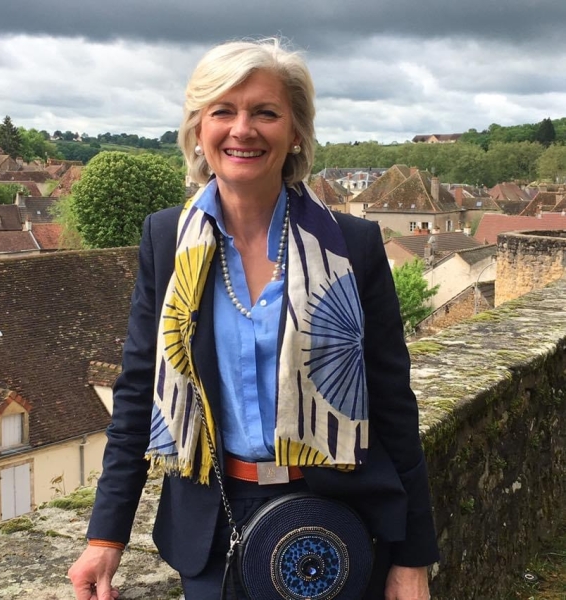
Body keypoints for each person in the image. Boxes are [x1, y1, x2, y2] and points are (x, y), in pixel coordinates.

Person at [69, 38, 439, 600]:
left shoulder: (353, 246)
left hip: (340, 519)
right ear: (198, 129)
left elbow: (393, 405)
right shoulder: (167, 240)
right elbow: (139, 390)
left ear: (295, 132)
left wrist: (413, 558)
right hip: (215, 520)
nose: (243, 129)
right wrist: (105, 536)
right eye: (223, 110)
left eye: (265, 112)